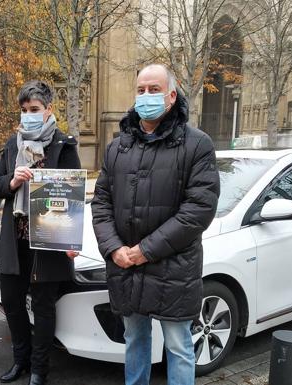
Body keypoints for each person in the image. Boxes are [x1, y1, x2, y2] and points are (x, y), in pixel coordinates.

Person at [91, 64, 220, 385]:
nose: (146, 96)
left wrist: (144, 251)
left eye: (154, 89)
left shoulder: (197, 144)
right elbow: (101, 204)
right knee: (135, 340)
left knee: (178, 345)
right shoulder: (117, 146)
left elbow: (198, 210)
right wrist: (114, 249)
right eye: (140, 90)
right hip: (126, 268)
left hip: (173, 268)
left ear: (172, 95)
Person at [0, 80, 81, 385]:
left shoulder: (63, 144)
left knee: (42, 305)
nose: (29, 114)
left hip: (49, 239)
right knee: (13, 302)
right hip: (15, 238)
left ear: (48, 109)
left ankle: (40, 369)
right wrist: (12, 182)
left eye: (35, 109)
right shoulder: (12, 144)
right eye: (24, 109)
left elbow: (73, 196)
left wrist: (72, 239)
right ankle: (21, 361)